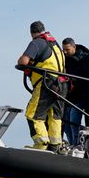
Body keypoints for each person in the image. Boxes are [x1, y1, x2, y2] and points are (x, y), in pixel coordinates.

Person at [17, 21, 68, 151]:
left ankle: (41, 144)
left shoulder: (37, 42)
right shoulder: (55, 45)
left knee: (32, 114)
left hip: (47, 84)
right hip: (62, 85)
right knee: (55, 115)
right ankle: (55, 144)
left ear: (31, 33)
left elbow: (23, 61)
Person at [61, 38, 89, 145]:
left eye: (67, 49)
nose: (65, 52)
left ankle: (77, 145)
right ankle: (72, 144)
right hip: (68, 95)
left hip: (79, 95)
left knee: (74, 121)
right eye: (63, 49)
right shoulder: (64, 59)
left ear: (74, 47)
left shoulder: (85, 59)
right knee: (65, 123)